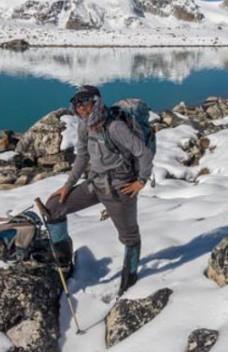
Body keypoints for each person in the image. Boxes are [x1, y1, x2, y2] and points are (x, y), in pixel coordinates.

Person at [44, 85, 152, 295]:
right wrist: (67, 186)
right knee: (53, 207)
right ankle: (64, 264)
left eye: (85, 102)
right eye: (77, 103)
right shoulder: (84, 126)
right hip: (95, 184)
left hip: (121, 190)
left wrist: (141, 181)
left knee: (130, 238)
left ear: (96, 101)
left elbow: (143, 153)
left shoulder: (114, 127)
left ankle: (129, 281)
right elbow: (83, 156)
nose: (81, 107)